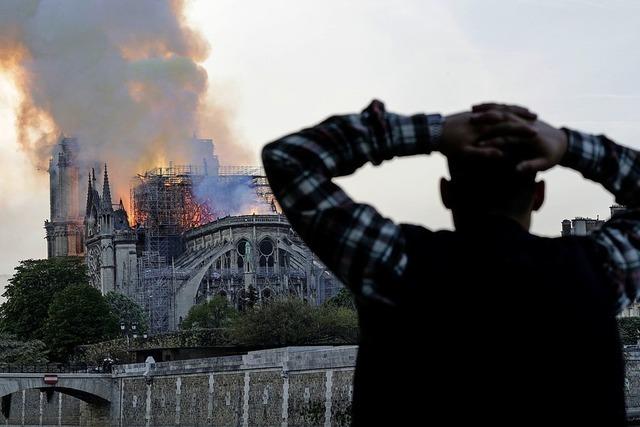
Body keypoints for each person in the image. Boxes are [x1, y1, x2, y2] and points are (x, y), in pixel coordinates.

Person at [261, 100, 640, 426]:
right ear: (539, 195)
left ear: (445, 192)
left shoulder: (395, 262)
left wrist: (434, 131)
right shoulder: (598, 272)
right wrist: (568, 145)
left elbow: (289, 158)